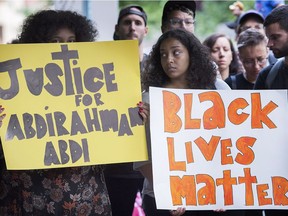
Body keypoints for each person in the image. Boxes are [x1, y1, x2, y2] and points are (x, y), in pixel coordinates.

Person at [0, 10, 112, 216]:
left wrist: (134, 115)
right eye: (55, 40)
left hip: (83, 194)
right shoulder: (15, 83)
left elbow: (111, 132)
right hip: (31, 194)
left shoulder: (96, 84)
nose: (64, 46)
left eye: (71, 40)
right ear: (38, 42)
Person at [134, 29, 247, 216]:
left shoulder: (219, 89)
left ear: (191, 54)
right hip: (165, 200)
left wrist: (223, 189)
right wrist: (170, 192)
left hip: (212, 197)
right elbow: (142, 158)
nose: (168, 59)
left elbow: (234, 144)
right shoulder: (148, 99)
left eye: (176, 52)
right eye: (163, 54)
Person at [104, 4, 148, 216]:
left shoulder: (157, 67)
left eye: (138, 23)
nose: (132, 27)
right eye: (127, 22)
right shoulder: (100, 67)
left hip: (148, 168)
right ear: (117, 28)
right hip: (114, 167)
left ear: (145, 30)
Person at [254, 5, 288, 215]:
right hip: (278, 181)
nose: (269, 44)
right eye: (268, 37)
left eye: (276, 37)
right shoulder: (267, 77)